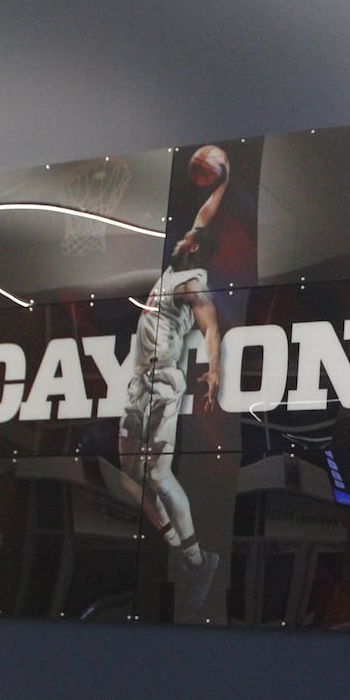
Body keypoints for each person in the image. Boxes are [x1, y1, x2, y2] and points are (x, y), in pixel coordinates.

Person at [119, 154, 229, 620]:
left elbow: (210, 325)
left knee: (159, 476)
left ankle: (197, 562)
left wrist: (215, 368)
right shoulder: (172, 271)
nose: (184, 236)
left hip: (162, 383)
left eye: (190, 239)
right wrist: (225, 182)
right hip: (138, 385)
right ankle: (185, 552)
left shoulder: (189, 282)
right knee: (129, 475)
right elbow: (203, 216)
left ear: (197, 251)